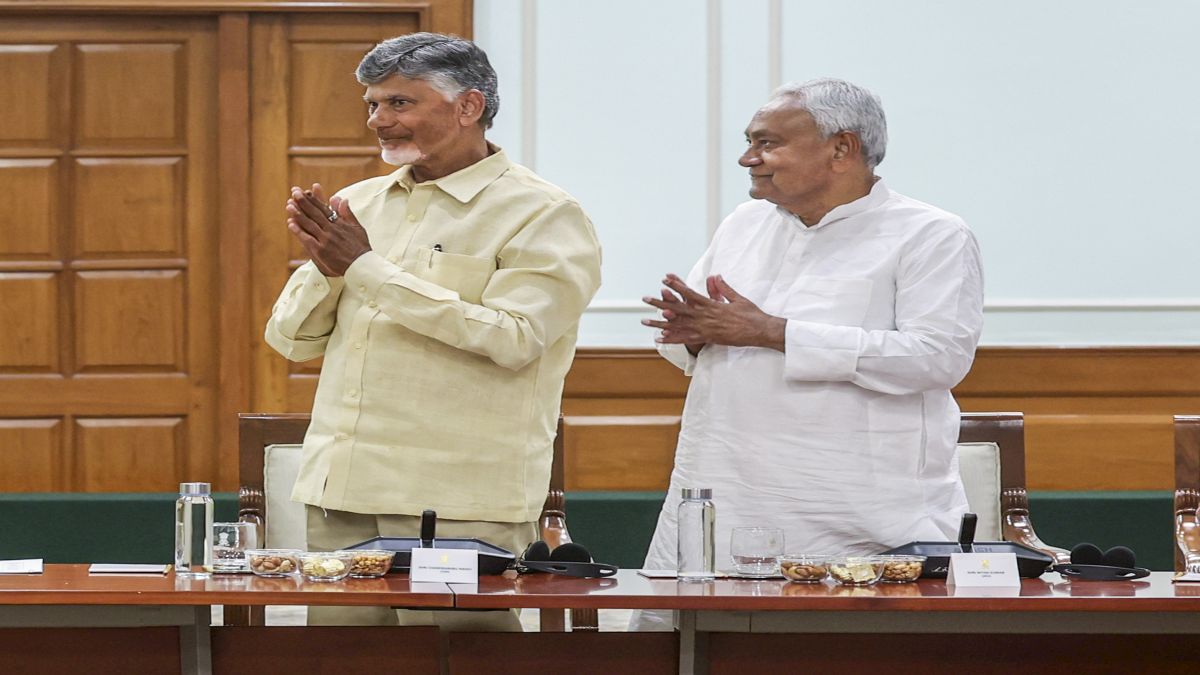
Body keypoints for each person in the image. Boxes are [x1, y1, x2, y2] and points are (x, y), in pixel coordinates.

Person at [264, 32, 602, 629]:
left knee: (461, 661)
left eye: (399, 103)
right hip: (342, 489)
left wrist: (365, 268)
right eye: (372, 104)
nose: (378, 121)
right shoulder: (359, 203)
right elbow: (292, 340)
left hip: (456, 498)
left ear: (468, 107)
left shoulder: (543, 213)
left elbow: (516, 338)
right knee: (337, 665)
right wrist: (327, 268)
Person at [637, 78, 983, 624]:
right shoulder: (745, 224)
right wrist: (697, 334)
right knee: (678, 647)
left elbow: (937, 357)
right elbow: (711, 337)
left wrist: (772, 332)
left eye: (768, 143)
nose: (748, 158)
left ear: (841, 149)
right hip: (724, 500)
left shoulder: (930, 234)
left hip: (861, 514)